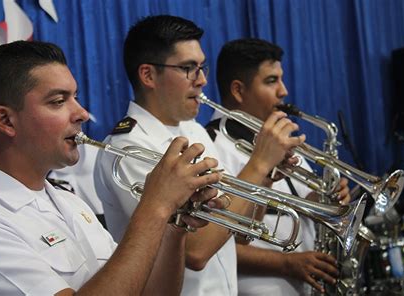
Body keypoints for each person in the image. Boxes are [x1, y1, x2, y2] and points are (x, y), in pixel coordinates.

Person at [0, 40, 223, 295]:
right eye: (59, 101)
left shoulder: (70, 203)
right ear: (6, 121)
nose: (82, 113)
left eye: (76, 97)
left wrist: (174, 224)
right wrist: (155, 206)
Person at [94, 15, 305, 295]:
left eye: (201, 67)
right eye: (188, 68)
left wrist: (266, 177)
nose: (203, 80)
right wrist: (259, 163)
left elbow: (242, 232)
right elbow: (196, 252)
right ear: (148, 75)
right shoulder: (127, 148)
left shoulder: (193, 130)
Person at [208, 37, 351, 295]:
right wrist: (286, 264)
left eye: (281, 79)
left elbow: (300, 197)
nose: (283, 91)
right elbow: (212, 243)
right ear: (238, 91)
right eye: (271, 81)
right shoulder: (210, 145)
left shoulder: (278, 135)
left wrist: (325, 198)